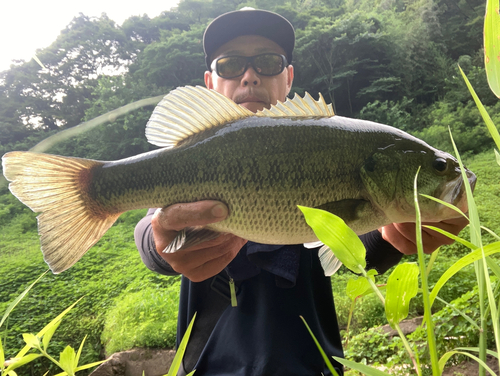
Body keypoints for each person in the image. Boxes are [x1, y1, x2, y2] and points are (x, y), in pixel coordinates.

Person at [135, 8, 468, 376]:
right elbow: (151, 231)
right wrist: (161, 244)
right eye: (229, 65)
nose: (249, 76)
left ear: (289, 76)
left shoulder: (324, 138)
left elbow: (356, 248)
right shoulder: (193, 154)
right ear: (210, 82)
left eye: (267, 62)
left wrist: (399, 236)